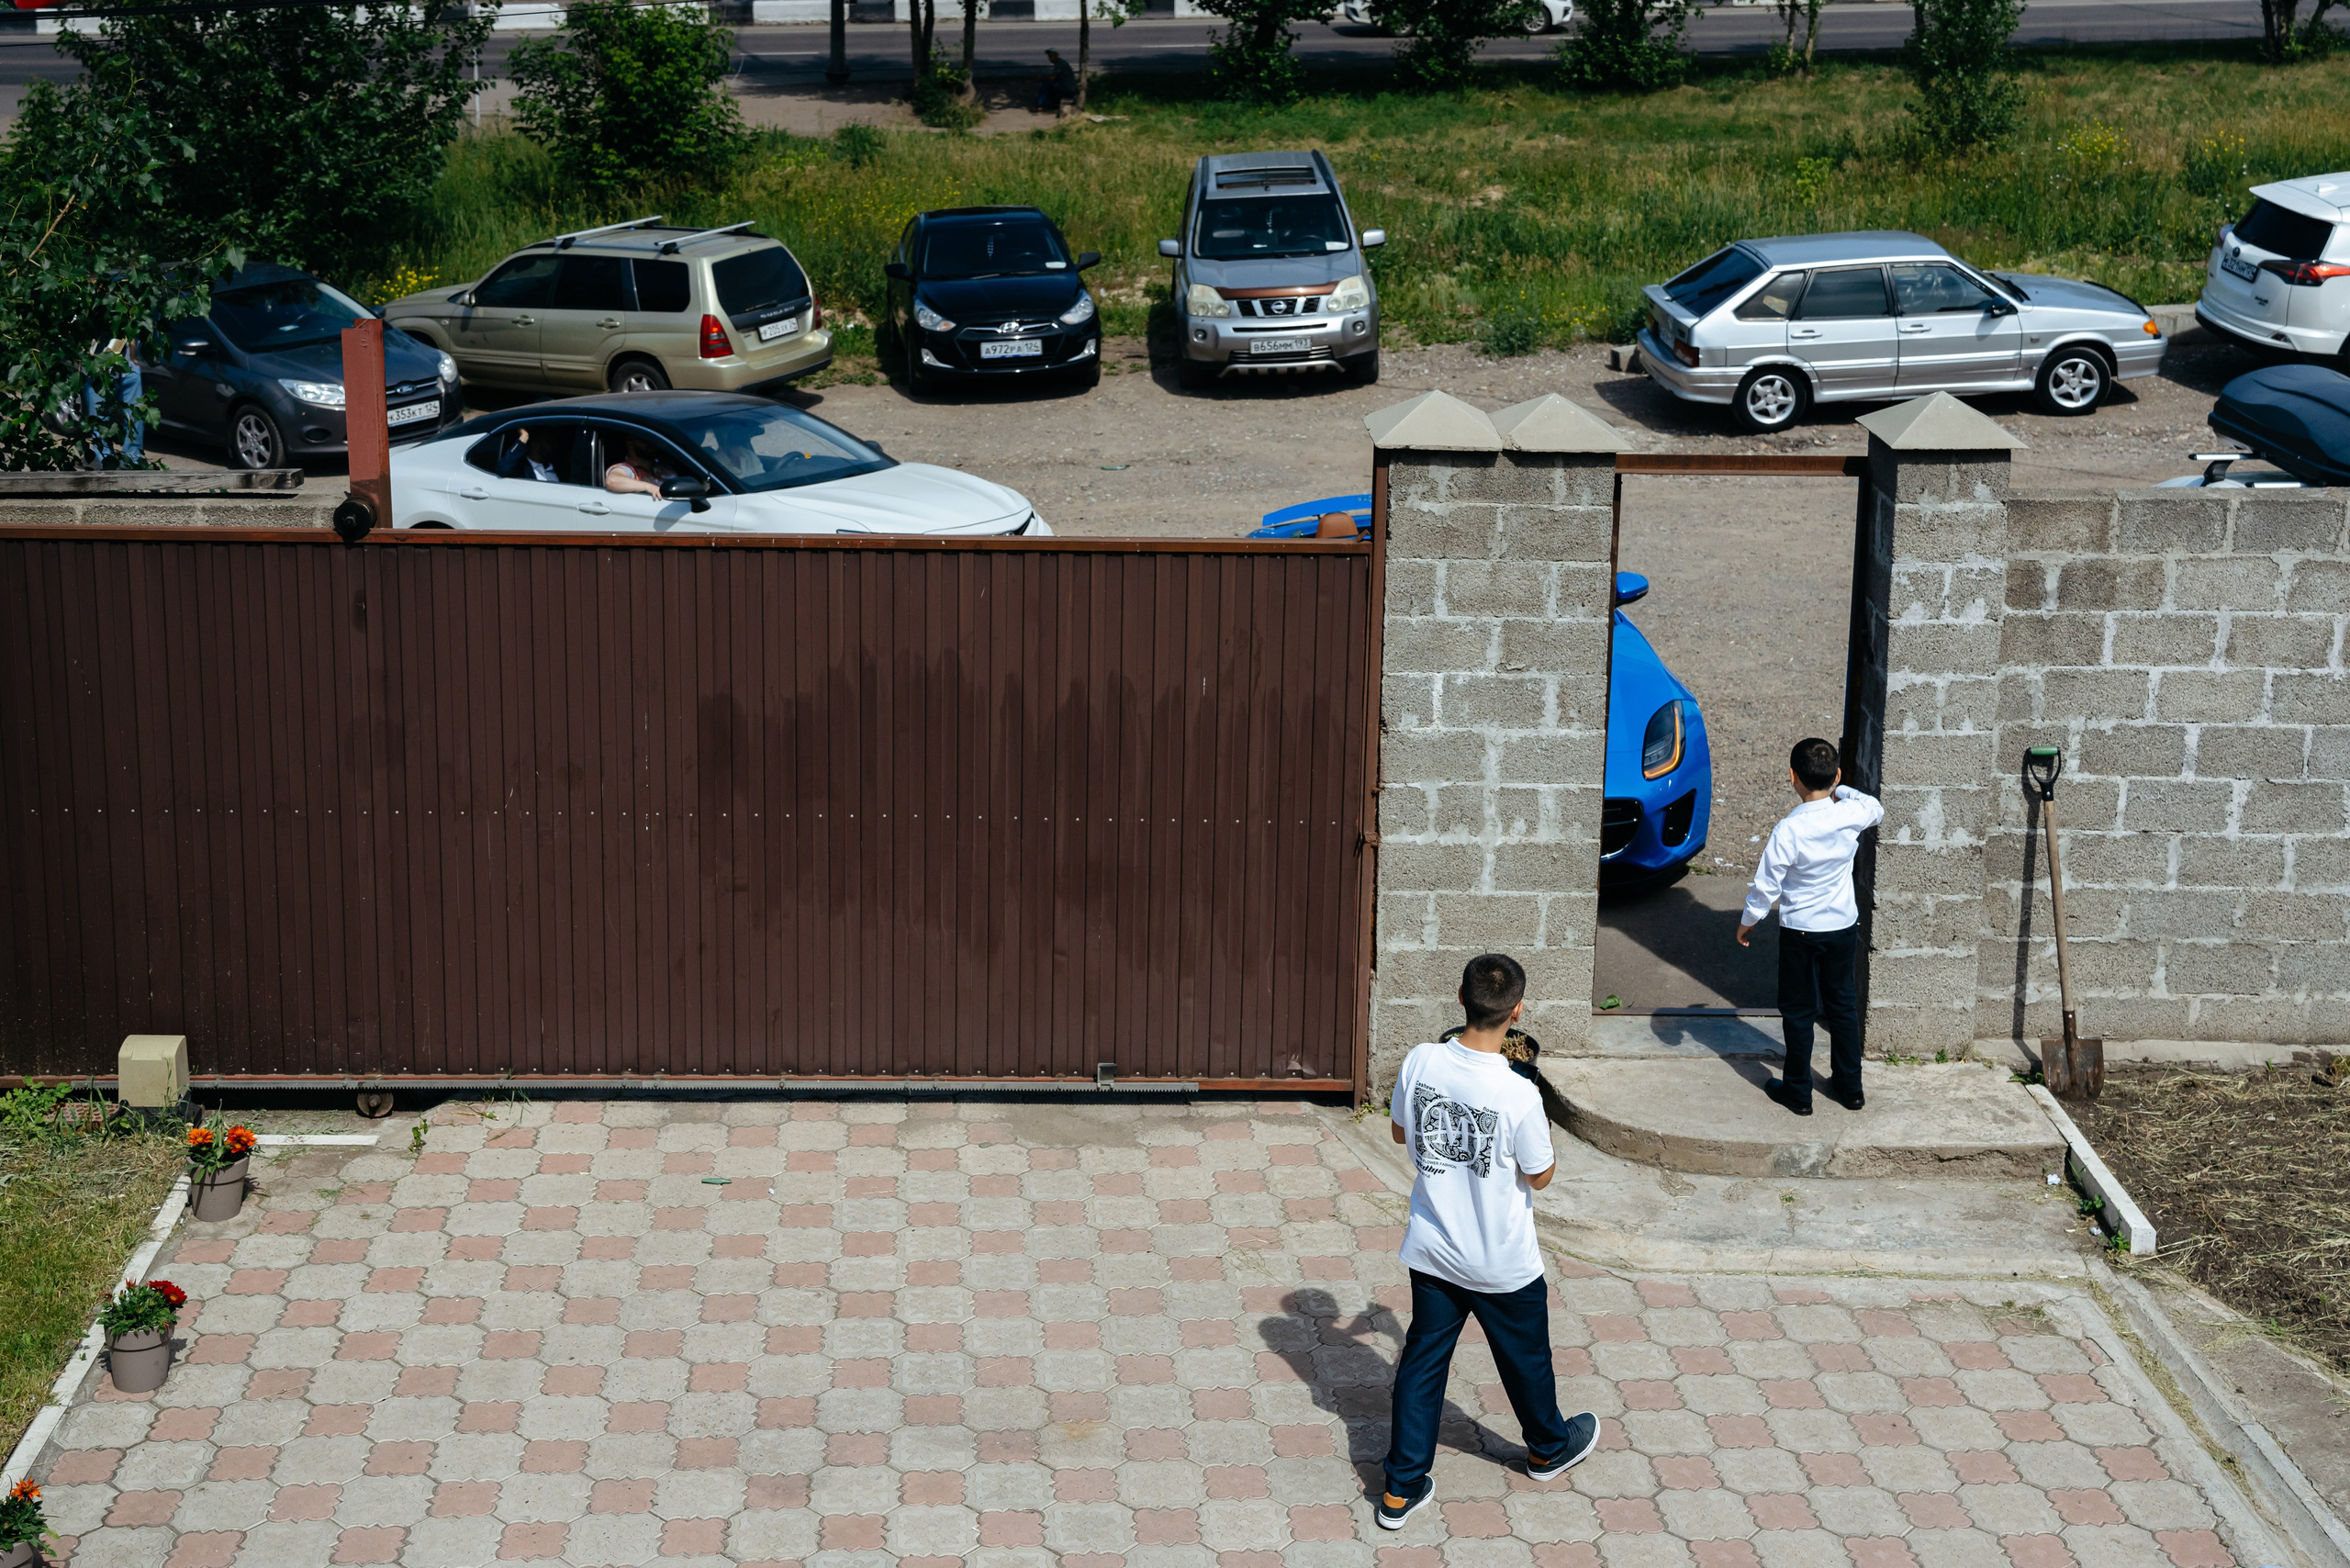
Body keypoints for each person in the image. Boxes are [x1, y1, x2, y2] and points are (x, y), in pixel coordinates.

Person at [1377, 953, 1599, 1530]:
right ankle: (1547, 1449)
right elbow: (1540, 1176)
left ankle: (1400, 1489)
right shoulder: (1519, 1093)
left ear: (1460, 998)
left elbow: (1399, 1130)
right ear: (1517, 1012)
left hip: (1434, 1250)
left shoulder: (1421, 1060)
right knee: (1526, 1359)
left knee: (1423, 1362)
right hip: (1502, 1262)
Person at [1737, 737, 1885, 1115]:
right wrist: (1842, 790)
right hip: (1842, 926)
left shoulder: (1788, 829)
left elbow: (1767, 886)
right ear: (1836, 776)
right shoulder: (1850, 813)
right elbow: (1876, 808)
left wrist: (1748, 922)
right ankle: (1851, 1088)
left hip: (1800, 931)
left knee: (1799, 1010)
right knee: (1843, 1005)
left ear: (1792, 777)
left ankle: (1799, 1091)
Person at [604, 436, 675, 498]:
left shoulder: (664, 468)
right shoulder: (628, 469)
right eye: (643, 440)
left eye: (651, 439)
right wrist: (649, 487)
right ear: (630, 444)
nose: (650, 443)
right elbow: (612, 481)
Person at [497, 426, 562, 483]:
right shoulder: (522, 469)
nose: (555, 445)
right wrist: (524, 436)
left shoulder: (558, 468)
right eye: (550, 442)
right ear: (535, 446)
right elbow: (503, 470)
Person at [1034, 49, 1079, 115]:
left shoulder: (1059, 64)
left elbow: (1052, 78)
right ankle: (1053, 104)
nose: (1050, 58)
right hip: (1069, 88)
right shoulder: (1061, 63)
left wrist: (1041, 78)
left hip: (1068, 89)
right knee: (1052, 85)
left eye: (1052, 56)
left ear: (1057, 55)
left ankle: (1040, 105)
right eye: (1049, 56)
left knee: (1046, 84)